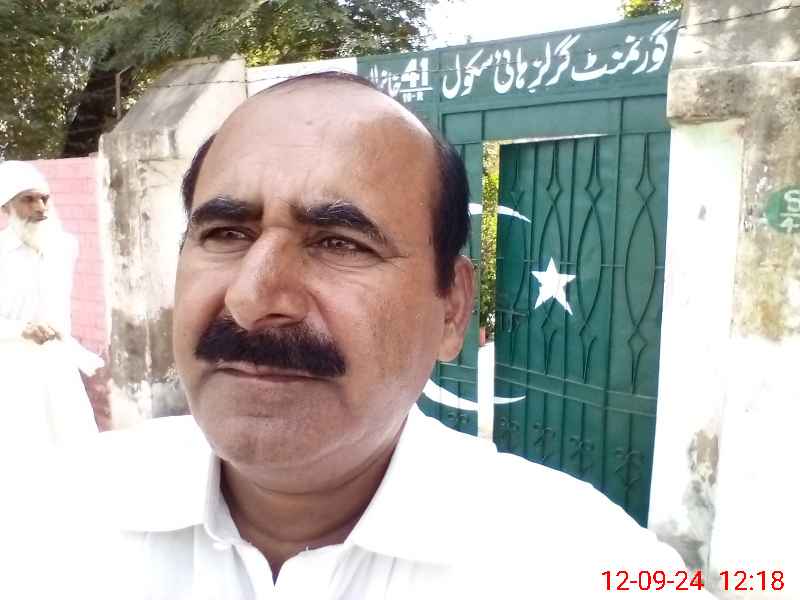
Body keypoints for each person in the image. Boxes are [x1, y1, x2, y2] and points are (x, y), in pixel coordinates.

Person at [25, 73, 711, 599]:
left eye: (340, 242)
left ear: (451, 309)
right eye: (227, 233)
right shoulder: (45, 519)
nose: (252, 299)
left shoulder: (584, 566)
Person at [0, 161, 101, 453]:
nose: (40, 207)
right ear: (6, 206)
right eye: (28, 199)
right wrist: (21, 329)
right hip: (12, 369)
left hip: (58, 366)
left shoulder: (63, 248)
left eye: (44, 198)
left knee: (73, 450)